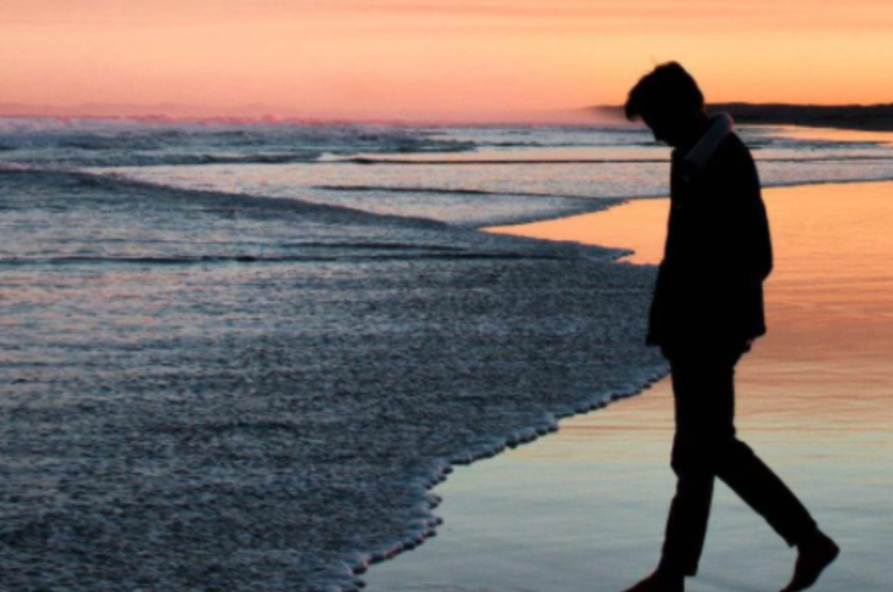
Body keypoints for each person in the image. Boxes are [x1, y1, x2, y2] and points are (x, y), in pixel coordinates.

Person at [619, 62, 839, 592]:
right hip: (692, 327)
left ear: (682, 109)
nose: (655, 135)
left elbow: (755, 255)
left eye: (657, 122)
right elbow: (682, 255)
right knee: (695, 454)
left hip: (710, 329)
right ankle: (672, 573)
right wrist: (669, 322)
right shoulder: (692, 155)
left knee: (710, 447)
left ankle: (808, 540)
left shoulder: (724, 160)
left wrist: (714, 322)